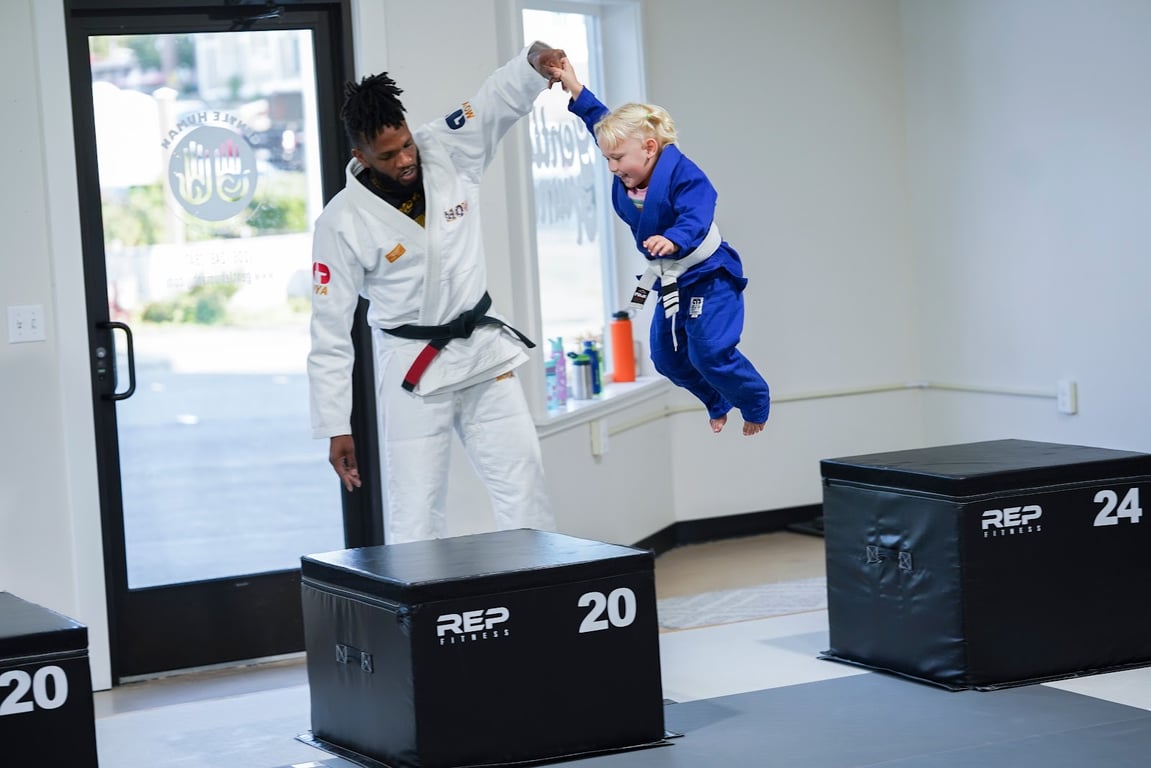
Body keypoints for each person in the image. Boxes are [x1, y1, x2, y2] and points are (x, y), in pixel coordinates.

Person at [308, 43, 565, 543]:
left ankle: (542, 585)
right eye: (388, 155)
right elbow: (330, 329)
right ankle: (418, 597)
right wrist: (336, 424)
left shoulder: (446, 148)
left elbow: (492, 102)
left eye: (406, 144)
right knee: (416, 510)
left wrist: (530, 66)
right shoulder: (340, 222)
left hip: (482, 350)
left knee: (524, 482)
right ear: (361, 156)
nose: (406, 159)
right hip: (412, 367)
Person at [549, 58, 770, 436]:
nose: (612, 167)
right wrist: (574, 86)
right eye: (607, 158)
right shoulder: (629, 161)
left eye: (617, 158)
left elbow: (697, 213)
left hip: (709, 276)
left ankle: (755, 402)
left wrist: (673, 239)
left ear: (649, 148)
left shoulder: (685, 175)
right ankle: (716, 400)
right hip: (672, 278)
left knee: (708, 353)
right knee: (665, 358)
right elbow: (599, 121)